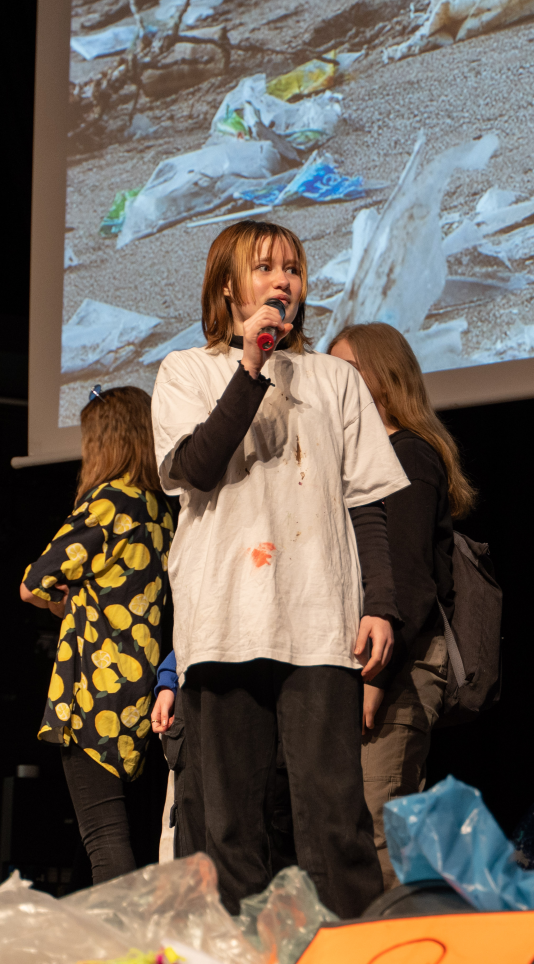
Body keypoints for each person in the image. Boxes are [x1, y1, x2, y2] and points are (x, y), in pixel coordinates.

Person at [150, 219, 408, 919]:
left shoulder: (335, 380)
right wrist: (250, 369)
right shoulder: (185, 372)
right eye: (264, 268)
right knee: (228, 821)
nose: (282, 281)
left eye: (292, 268)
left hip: (317, 620)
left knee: (333, 815)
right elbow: (197, 468)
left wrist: (379, 605)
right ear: (227, 286)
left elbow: (367, 504)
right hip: (223, 620)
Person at [330, 322, 477, 889]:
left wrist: (376, 677)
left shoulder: (410, 456)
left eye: (350, 372)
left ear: (384, 380)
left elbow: (410, 581)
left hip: (402, 666)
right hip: (373, 663)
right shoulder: (362, 461)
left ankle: (399, 961)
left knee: (380, 823)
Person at [21, 385, 172, 885]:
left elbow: (31, 583)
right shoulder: (159, 510)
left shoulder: (107, 505)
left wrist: (60, 601)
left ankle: (123, 954)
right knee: (125, 829)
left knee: (103, 836)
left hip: (94, 691)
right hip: (140, 684)